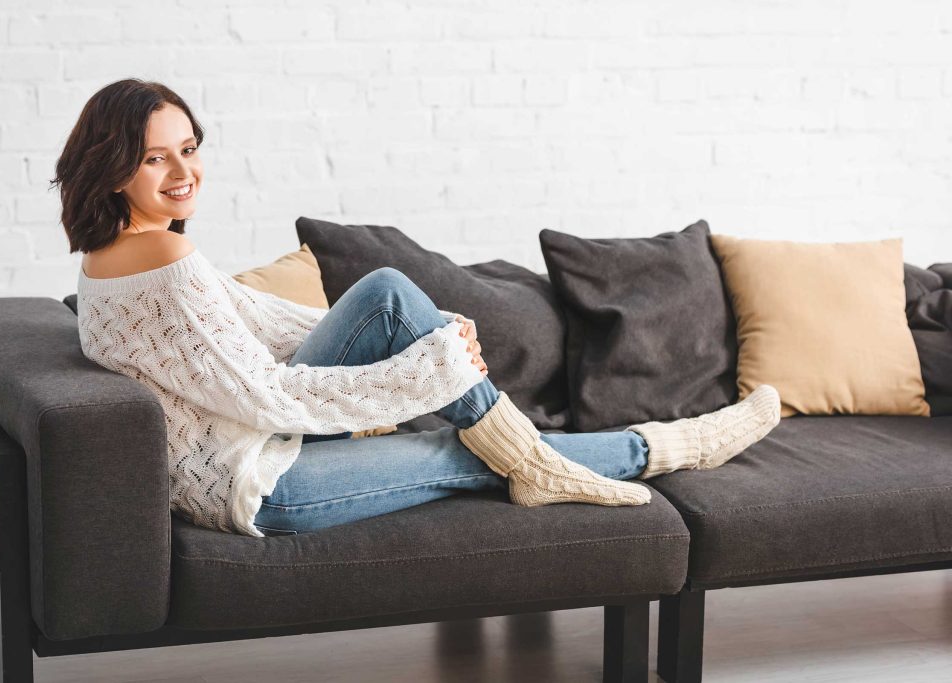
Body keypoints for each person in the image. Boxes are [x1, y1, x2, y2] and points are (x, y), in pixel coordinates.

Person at [55, 79, 782, 538]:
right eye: (157, 158)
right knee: (462, 450)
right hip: (258, 483)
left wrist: (417, 351)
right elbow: (263, 391)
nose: (184, 173)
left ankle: (536, 455)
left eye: (188, 149)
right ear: (115, 165)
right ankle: (667, 445)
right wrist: (422, 373)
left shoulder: (116, 253)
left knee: (385, 292)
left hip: (253, 447)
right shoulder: (161, 258)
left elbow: (256, 328)